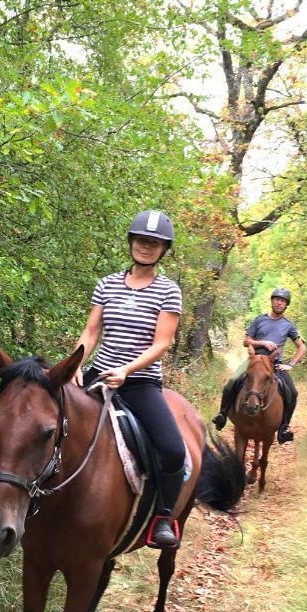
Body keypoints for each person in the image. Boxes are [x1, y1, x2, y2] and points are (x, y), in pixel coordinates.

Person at [75, 210, 185, 548]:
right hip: (100, 373)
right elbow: (92, 331)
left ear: (164, 249)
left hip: (139, 382)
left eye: (154, 243)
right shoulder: (106, 284)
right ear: (131, 242)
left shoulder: (169, 291)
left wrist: (127, 370)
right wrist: (76, 364)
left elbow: (162, 343)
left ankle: (163, 518)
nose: (146, 247)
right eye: (141, 240)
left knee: (173, 449)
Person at [212, 287, 306, 443]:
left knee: (293, 393)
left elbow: (302, 347)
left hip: (274, 364)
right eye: (277, 299)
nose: (279, 303)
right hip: (254, 361)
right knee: (231, 382)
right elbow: (246, 341)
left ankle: (284, 427)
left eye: (282, 301)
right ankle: (222, 414)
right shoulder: (259, 320)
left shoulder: (288, 325)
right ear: (272, 301)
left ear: (286, 305)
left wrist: (291, 364)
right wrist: (263, 342)